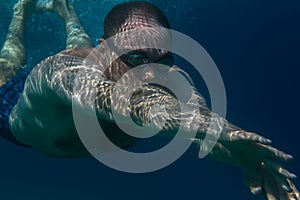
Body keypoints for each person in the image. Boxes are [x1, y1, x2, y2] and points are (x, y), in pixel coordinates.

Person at [0, 1, 299, 199]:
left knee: (83, 46)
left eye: (162, 60)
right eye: (136, 58)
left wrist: (244, 156)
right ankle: (20, 13)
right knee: (8, 68)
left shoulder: (170, 75)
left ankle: (68, 12)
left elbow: (200, 130)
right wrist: (215, 128)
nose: (150, 74)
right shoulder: (61, 73)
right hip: (13, 114)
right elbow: (129, 105)